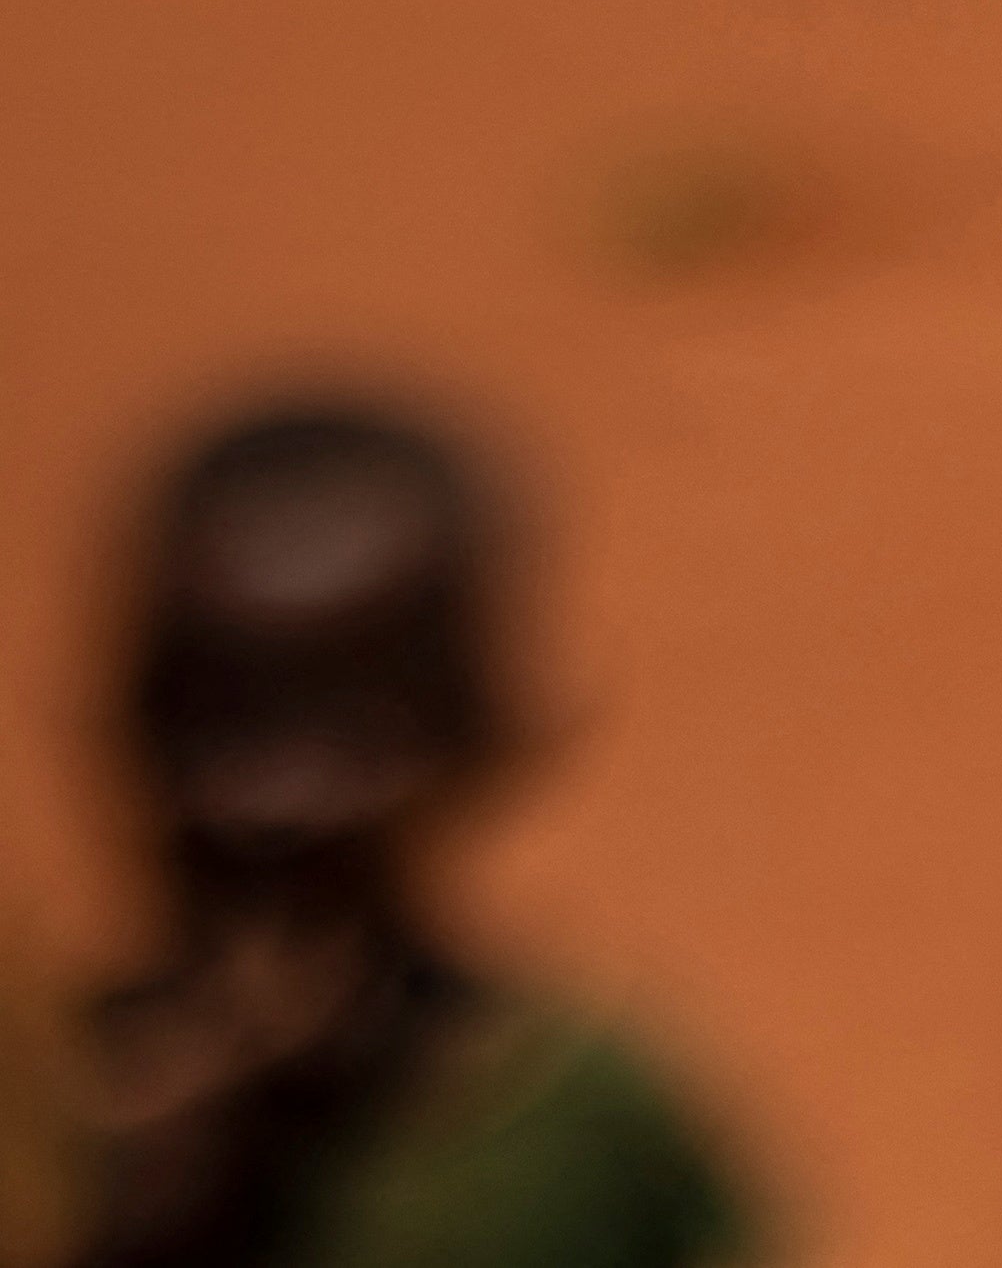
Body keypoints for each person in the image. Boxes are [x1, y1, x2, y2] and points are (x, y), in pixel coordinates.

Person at [71, 401, 757, 1268]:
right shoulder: (49, 1114)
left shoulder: (580, 1126)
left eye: (350, 733)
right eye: (212, 717)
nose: (271, 803)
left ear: (485, 732)